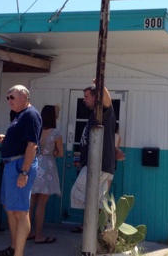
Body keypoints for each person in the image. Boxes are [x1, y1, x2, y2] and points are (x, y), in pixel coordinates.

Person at [0, 85, 41, 256]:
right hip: (11, 165)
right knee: (10, 207)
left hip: (20, 166)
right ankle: (13, 248)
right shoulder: (19, 115)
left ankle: (18, 253)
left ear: (24, 96)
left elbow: (32, 145)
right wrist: (6, 140)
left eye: (12, 97)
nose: (9, 101)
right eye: (7, 98)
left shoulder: (31, 114)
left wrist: (24, 172)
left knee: (21, 211)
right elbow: (21, 139)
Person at [70, 81, 121, 232]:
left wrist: (100, 83)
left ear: (96, 97)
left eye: (86, 96)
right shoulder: (95, 115)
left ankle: (99, 230)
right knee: (96, 201)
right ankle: (98, 232)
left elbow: (108, 101)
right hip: (91, 164)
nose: (84, 100)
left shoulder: (106, 111)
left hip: (98, 165)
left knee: (82, 195)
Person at [27, 105, 63, 244]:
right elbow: (60, 153)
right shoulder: (56, 133)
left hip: (33, 164)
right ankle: (39, 235)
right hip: (47, 166)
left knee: (31, 202)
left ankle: (27, 232)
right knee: (41, 204)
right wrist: (51, 152)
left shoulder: (36, 130)